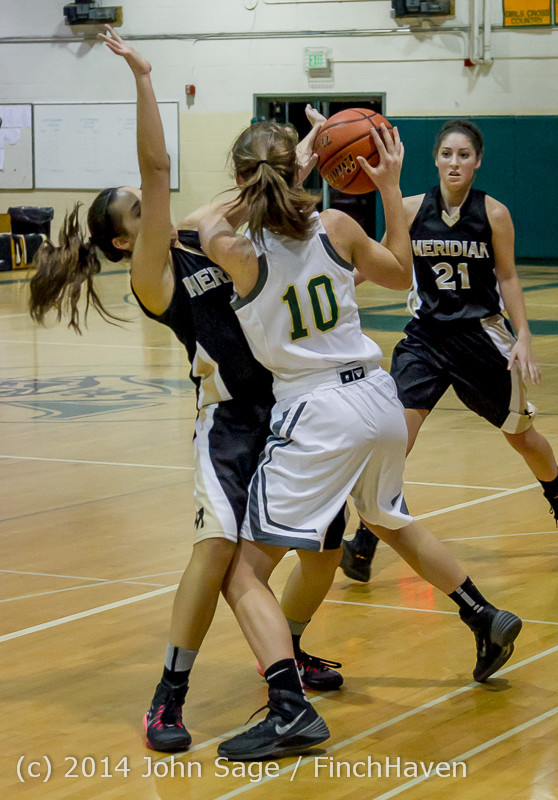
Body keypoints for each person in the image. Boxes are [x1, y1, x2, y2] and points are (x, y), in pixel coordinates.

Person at [28, 26, 340, 758]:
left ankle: (286, 655)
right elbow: (158, 164)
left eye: (149, 202)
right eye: (139, 210)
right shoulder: (155, 275)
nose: (153, 205)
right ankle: (169, 694)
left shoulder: (204, 233)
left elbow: (258, 184)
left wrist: (313, 143)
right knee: (217, 552)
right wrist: (142, 77)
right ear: (120, 245)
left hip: (293, 411)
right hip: (230, 424)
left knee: (324, 553)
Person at [197, 114, 523, 761]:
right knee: (388, 517)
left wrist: (297, 166)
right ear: (297, 173)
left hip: (315, 412)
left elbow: (202, 218)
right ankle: (483, 616)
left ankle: (288, 708)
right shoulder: (338, 227)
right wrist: (390, 183)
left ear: (243, 179)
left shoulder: (234, 247)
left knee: (240, 573)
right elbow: (405, 274)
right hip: (377, 396)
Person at [341, 118, 558, 583]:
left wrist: (524, 334)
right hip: (426, 338)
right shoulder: (412, 208)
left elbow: (509, 276)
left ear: (478, 162)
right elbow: (382, 258)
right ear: (435, 159)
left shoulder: (493, 213)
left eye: (464, 155)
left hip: (480, 337)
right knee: (397, 437)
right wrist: (341, 285)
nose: (455, 163)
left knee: (521, 435)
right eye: (447, 154)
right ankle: (365, 540)